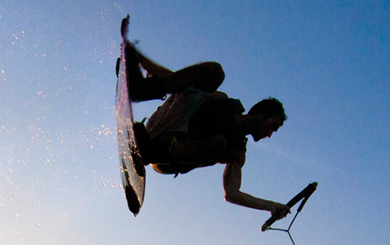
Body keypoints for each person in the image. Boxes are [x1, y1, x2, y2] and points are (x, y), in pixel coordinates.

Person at [124, 44, 292, 220]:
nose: (270, 134)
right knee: (215, 73)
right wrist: (141, 59)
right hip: (161, 124)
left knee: (220, 145)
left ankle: (151, 151)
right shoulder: (222, 101)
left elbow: (232, 194)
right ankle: (141, 89)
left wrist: (271, 206)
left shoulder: (237, 153)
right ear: (262, 114)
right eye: (273, 126)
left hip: (162, 156)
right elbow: (179, 85)